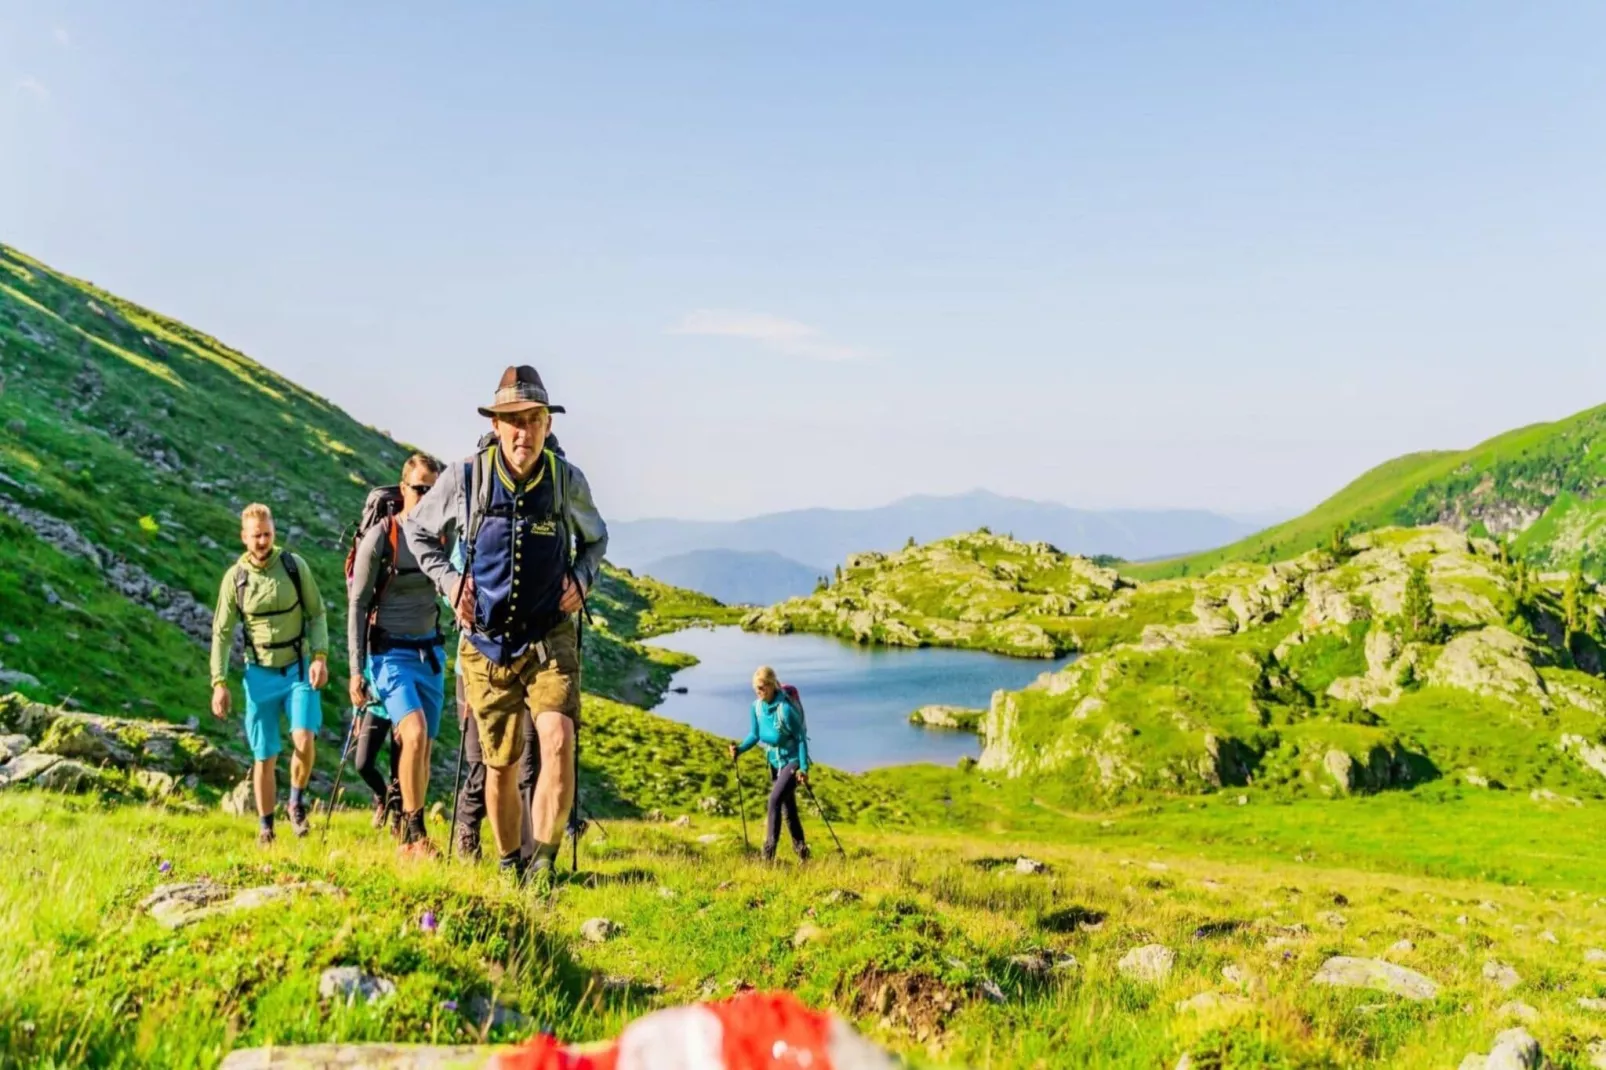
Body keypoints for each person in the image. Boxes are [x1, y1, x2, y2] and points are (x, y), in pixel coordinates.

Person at [405, 364, 607, 887]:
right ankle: (508, 865)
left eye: (534, 419)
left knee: (558, 738)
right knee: (500, 765)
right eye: (512, 420)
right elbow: (419, 532)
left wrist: (582, 580)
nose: (524, 431)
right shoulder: (465, 478)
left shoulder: (566, 481)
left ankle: (542, 866)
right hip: (485, 643)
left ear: (547, 424)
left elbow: (596, 540)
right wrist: (451, 584)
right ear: (496, 425)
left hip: (550, 636)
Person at [210, 503, 330, 844]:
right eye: (256, 536)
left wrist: (319, 656)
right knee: (265, 755)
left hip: (298, 668)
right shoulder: (236, 578)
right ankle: (266, 828)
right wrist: (219, 682)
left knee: (304, 739)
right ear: (244, 538)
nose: (263, 541)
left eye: (268, 534)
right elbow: (221, 632)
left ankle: (296, 801)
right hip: (258, 674)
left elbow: (317, 613)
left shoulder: (293, 566)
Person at [348, 453, 449, 857]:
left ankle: (411, 828)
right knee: (414, 732)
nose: (426, 497)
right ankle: (413, 833)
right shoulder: (383, 536)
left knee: (422, 748)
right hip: (389, 655)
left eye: (434, 490)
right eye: (420, 488)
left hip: (431, 654)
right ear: (403, 488)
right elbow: (357, 604)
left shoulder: (446, 534)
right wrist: (357, 671)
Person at [729, 666, 811, 862]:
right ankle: (804, 855)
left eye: (762, 687)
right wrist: (740, 749)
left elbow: (800, 738)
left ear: (772, 685)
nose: (759, 692)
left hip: (792, 761)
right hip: (775, 762)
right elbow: (755, 735)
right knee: (788, 809)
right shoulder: (756, 707)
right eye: (756, 688)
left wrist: (803, 768)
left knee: (774, 800)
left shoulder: (786, 709)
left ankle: (767, 856)